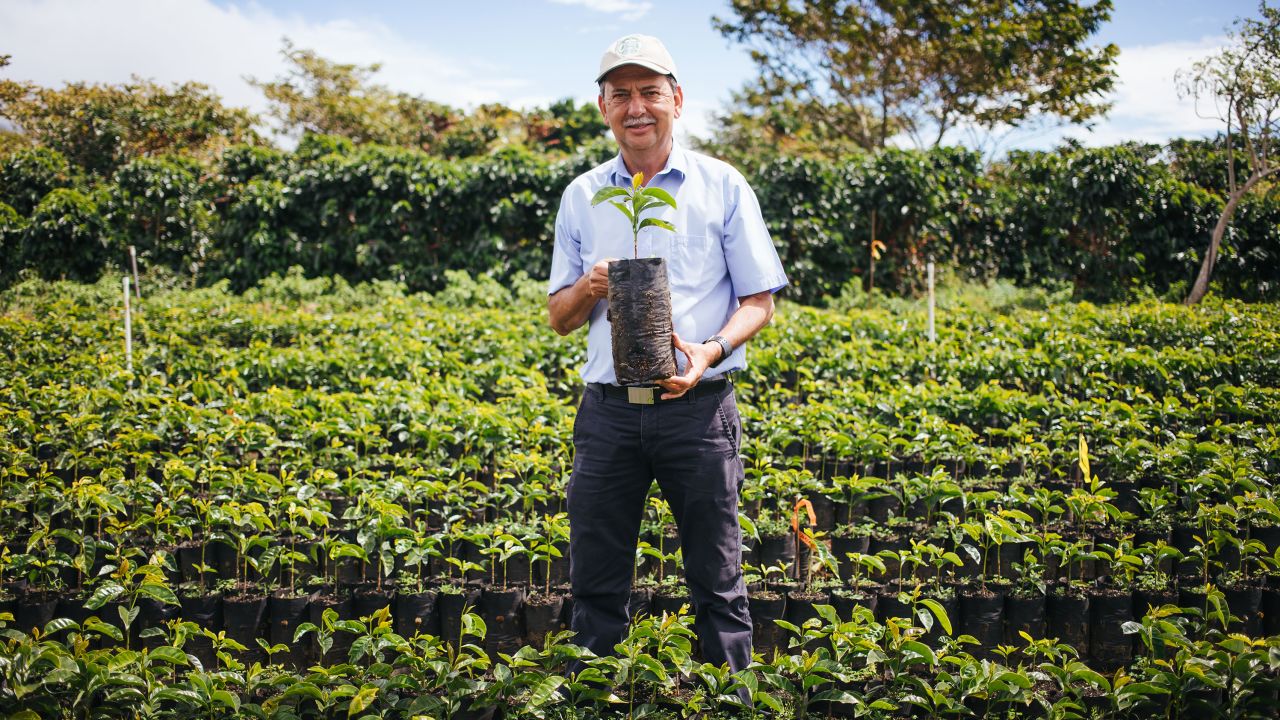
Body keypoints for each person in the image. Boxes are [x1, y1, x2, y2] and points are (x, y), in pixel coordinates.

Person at [547, 33, 788, 676]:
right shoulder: (583, 195)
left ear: (676, 100)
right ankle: (593, 695)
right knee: (595, 582)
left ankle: (733, 698)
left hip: (698, 411)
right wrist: (589, 286)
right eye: (620, 94)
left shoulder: (721, 185)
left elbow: (760, 301)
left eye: (650, 92)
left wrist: (711, 350)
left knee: (718, 580)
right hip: (608, 415)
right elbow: (559, 319)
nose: (636, 107)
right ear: (602, 108)